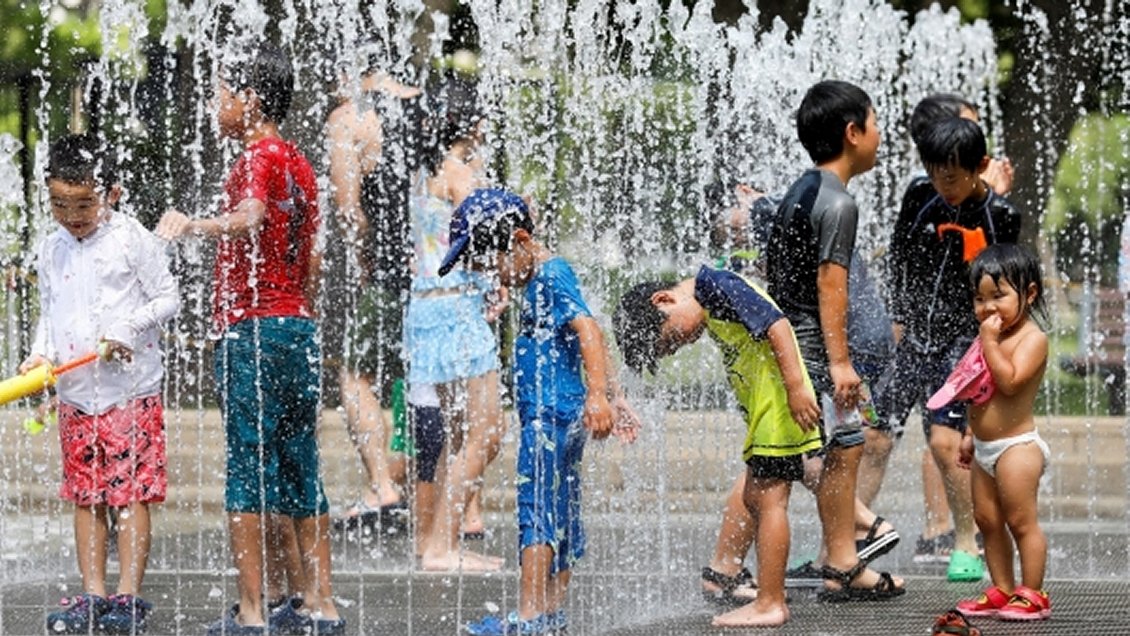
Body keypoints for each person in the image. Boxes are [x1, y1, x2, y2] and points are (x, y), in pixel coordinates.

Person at [156, 41, 343, 635]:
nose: (216, 106)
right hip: (297, 329)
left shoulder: (256, 159)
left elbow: (252, 215)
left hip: (252, 331)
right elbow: (310, 260)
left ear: (252, 100)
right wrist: (296, 315)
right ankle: (318, 605)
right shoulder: (302, 164)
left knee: (246, 468)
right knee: (299, 464)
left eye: (223, 94)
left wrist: (198, 224)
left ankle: (255, 613)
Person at [444, 188, 639, 635]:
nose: (491, 275)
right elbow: (591, 331)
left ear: (519, 240)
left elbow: (587, 329)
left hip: (549, 417)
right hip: (560, 413)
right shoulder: (544, 277)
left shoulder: (549, 276)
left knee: (536, 510)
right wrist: (614, 393)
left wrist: (599, 397)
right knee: (562, 510)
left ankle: (530, 617)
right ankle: (549, 612)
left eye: (491, 262)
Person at [703, 182, 899, 597]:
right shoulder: (799, 205)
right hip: (850, 338)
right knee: (825, 447)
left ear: (742, 193)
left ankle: (843, 547)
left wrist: (829, 363)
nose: (728, 232)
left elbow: (807, 291)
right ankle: (846, 551)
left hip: (838, 342)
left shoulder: (766, 210)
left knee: (782, 452)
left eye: (725, 218)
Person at [28, 134, 179, 635]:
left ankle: (129, 596)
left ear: (110, 194)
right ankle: (93, 594)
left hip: (129, 390)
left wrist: (127, 329)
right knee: (85, 495)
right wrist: (40, 354)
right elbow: (50, 312)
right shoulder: (51, 248)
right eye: (60, 204)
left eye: (84, 204)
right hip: (75, 395)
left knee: (131, 493)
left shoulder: (131, 237)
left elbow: (166, 299)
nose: (72, 215)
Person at [613, 269, 822, 627]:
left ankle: (771, 602)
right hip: (767, 411)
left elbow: (778, 325)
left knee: (770, 500)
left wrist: (795, 388)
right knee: (758, 497)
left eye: (672, 339)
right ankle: (768, 598)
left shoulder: (716, 286)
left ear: (664, 299)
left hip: (778, 408)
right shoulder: (708, 302)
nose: (682, 345)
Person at [762, 79, 905, 601]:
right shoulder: (839, 202)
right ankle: (842, 562)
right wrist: (840, 364)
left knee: (840, 448)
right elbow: (831, 282)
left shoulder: (802, 189)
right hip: (817, 350)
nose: (880, 134)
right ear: (852, 132)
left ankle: (842, 559)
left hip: (795, 344)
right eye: (875, 122)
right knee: (843, 449)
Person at [871, 93, 1014, 566]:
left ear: (981, 165)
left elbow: (1007, 290)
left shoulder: (1000, 215)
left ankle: (964, 542)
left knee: (943, 440)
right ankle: (845, 535)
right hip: (915, 337)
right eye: (934, 174)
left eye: (951, 176)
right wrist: (896, 322)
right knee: (874, 436)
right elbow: (898, 260)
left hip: (962, 344)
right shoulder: (920, 196)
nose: (942, 186)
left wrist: (994, 354)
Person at [407, 76, 506, 571]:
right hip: (456, 313)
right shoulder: (458, 172)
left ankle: (435, 543)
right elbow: (501, 223)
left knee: (458, 434)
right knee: (487, 431)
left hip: (428, 309)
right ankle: (443, 546)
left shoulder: (426, 173)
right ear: (473, 124)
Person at [325, 41, 423, 529]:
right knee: (415, 376)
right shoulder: (425, 104)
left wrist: (362, 252)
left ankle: (382, 486)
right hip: (435, 274)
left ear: (349, 69)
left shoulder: (349, 119)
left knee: (355, 375)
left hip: (385, 270)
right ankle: (427, 492)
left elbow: (348, 207)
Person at [946, 244, 1051, 621]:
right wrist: (970, 433)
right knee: (988, 520)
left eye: (999, 296)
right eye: (979, 299)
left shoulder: (1032, 339)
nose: (988, 308)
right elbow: (982, 391)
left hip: (1016, 448)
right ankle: (1004, 588)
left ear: (1030, 293)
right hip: (986, 447)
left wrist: (988, 342)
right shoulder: (989, 338)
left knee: (1021, 521)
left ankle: (1033, 592)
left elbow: (1008, 382)